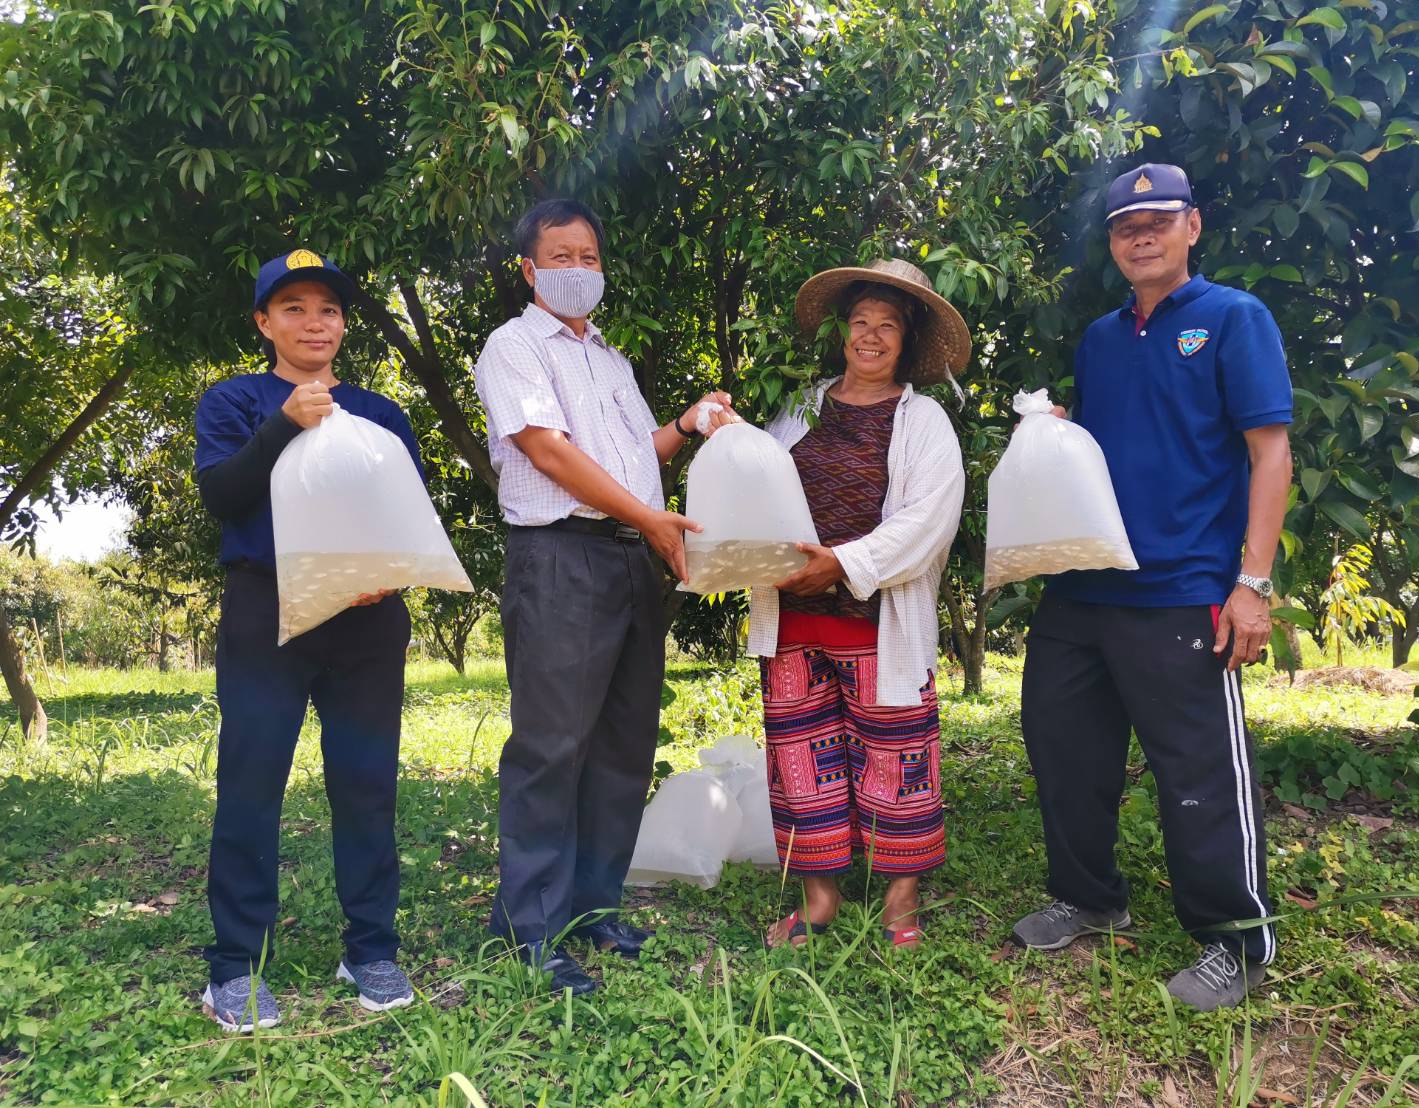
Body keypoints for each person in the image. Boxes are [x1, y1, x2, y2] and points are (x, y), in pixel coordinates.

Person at [1012, 163, 1294, 1010]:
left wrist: (1252, 581)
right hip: (1083, 588)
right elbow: (1108, 453)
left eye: (1158, 220)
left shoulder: (1232, 318)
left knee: (1197, 771)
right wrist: (1058, 435)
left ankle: (1233, 941)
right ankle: (1090, 896)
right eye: (1125, 226)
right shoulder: (1099, 339)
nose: (1141, 235)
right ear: (1112, 243)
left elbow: (1268, 453)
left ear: (1191, 227)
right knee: (1062, 749)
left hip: (1183, 589)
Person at [473, 199, 739, 996]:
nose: (578, 269)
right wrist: (653, 523)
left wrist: (684, 427)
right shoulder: (513, 347)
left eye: (589, 256)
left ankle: (592, 908)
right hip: (559, 559)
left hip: (627, 560)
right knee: (552, 747)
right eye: (561, 256)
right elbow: (550, 455)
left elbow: (631, 461)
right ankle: (527, 929)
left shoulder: (611, 362)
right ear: (529, 269)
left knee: (622, 746)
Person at [194, 250, 422, 1032]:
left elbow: (408, 509)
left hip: (366, 616)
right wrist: (279, 427)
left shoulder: (379, 412)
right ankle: (235, 965)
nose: (313, 321)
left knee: (365, 784)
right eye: (292, 307)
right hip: (268, 612)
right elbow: (223, 496)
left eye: (326, 307)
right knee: (251, 784)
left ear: (344, 324)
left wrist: (389, 575)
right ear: (264, 323)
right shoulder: (234, 401)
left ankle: (371, 948)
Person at [748, 258, 967, 950]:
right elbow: (758, 490)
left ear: (906, 343)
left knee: (895, 758)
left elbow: (929, 521)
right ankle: (819, 900)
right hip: (793, 620)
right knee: (801, 761)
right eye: (860, 323)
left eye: (888, 327)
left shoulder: (923, 420)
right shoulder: (800, 408)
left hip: (879, 625)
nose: (870, 337)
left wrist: (841, 565)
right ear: (843, 332)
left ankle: (899, 902)